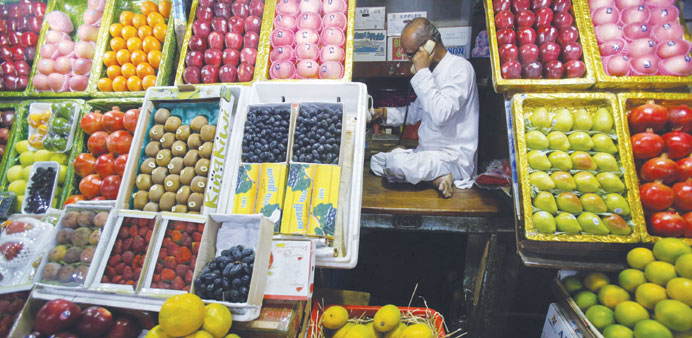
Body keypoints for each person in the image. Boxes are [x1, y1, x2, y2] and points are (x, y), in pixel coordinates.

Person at [369, 17, 480, 198]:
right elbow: (416, 111)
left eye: (411, 55)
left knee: (397, 163)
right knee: (377, 161)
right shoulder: (431, 72)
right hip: (427, 155)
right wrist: (383, 113)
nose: (410, 61)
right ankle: (436, 177)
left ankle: (439, 177)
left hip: (452, 158)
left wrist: (421, 73)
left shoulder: (460, 68)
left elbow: (440, 114)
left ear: (430, 45)